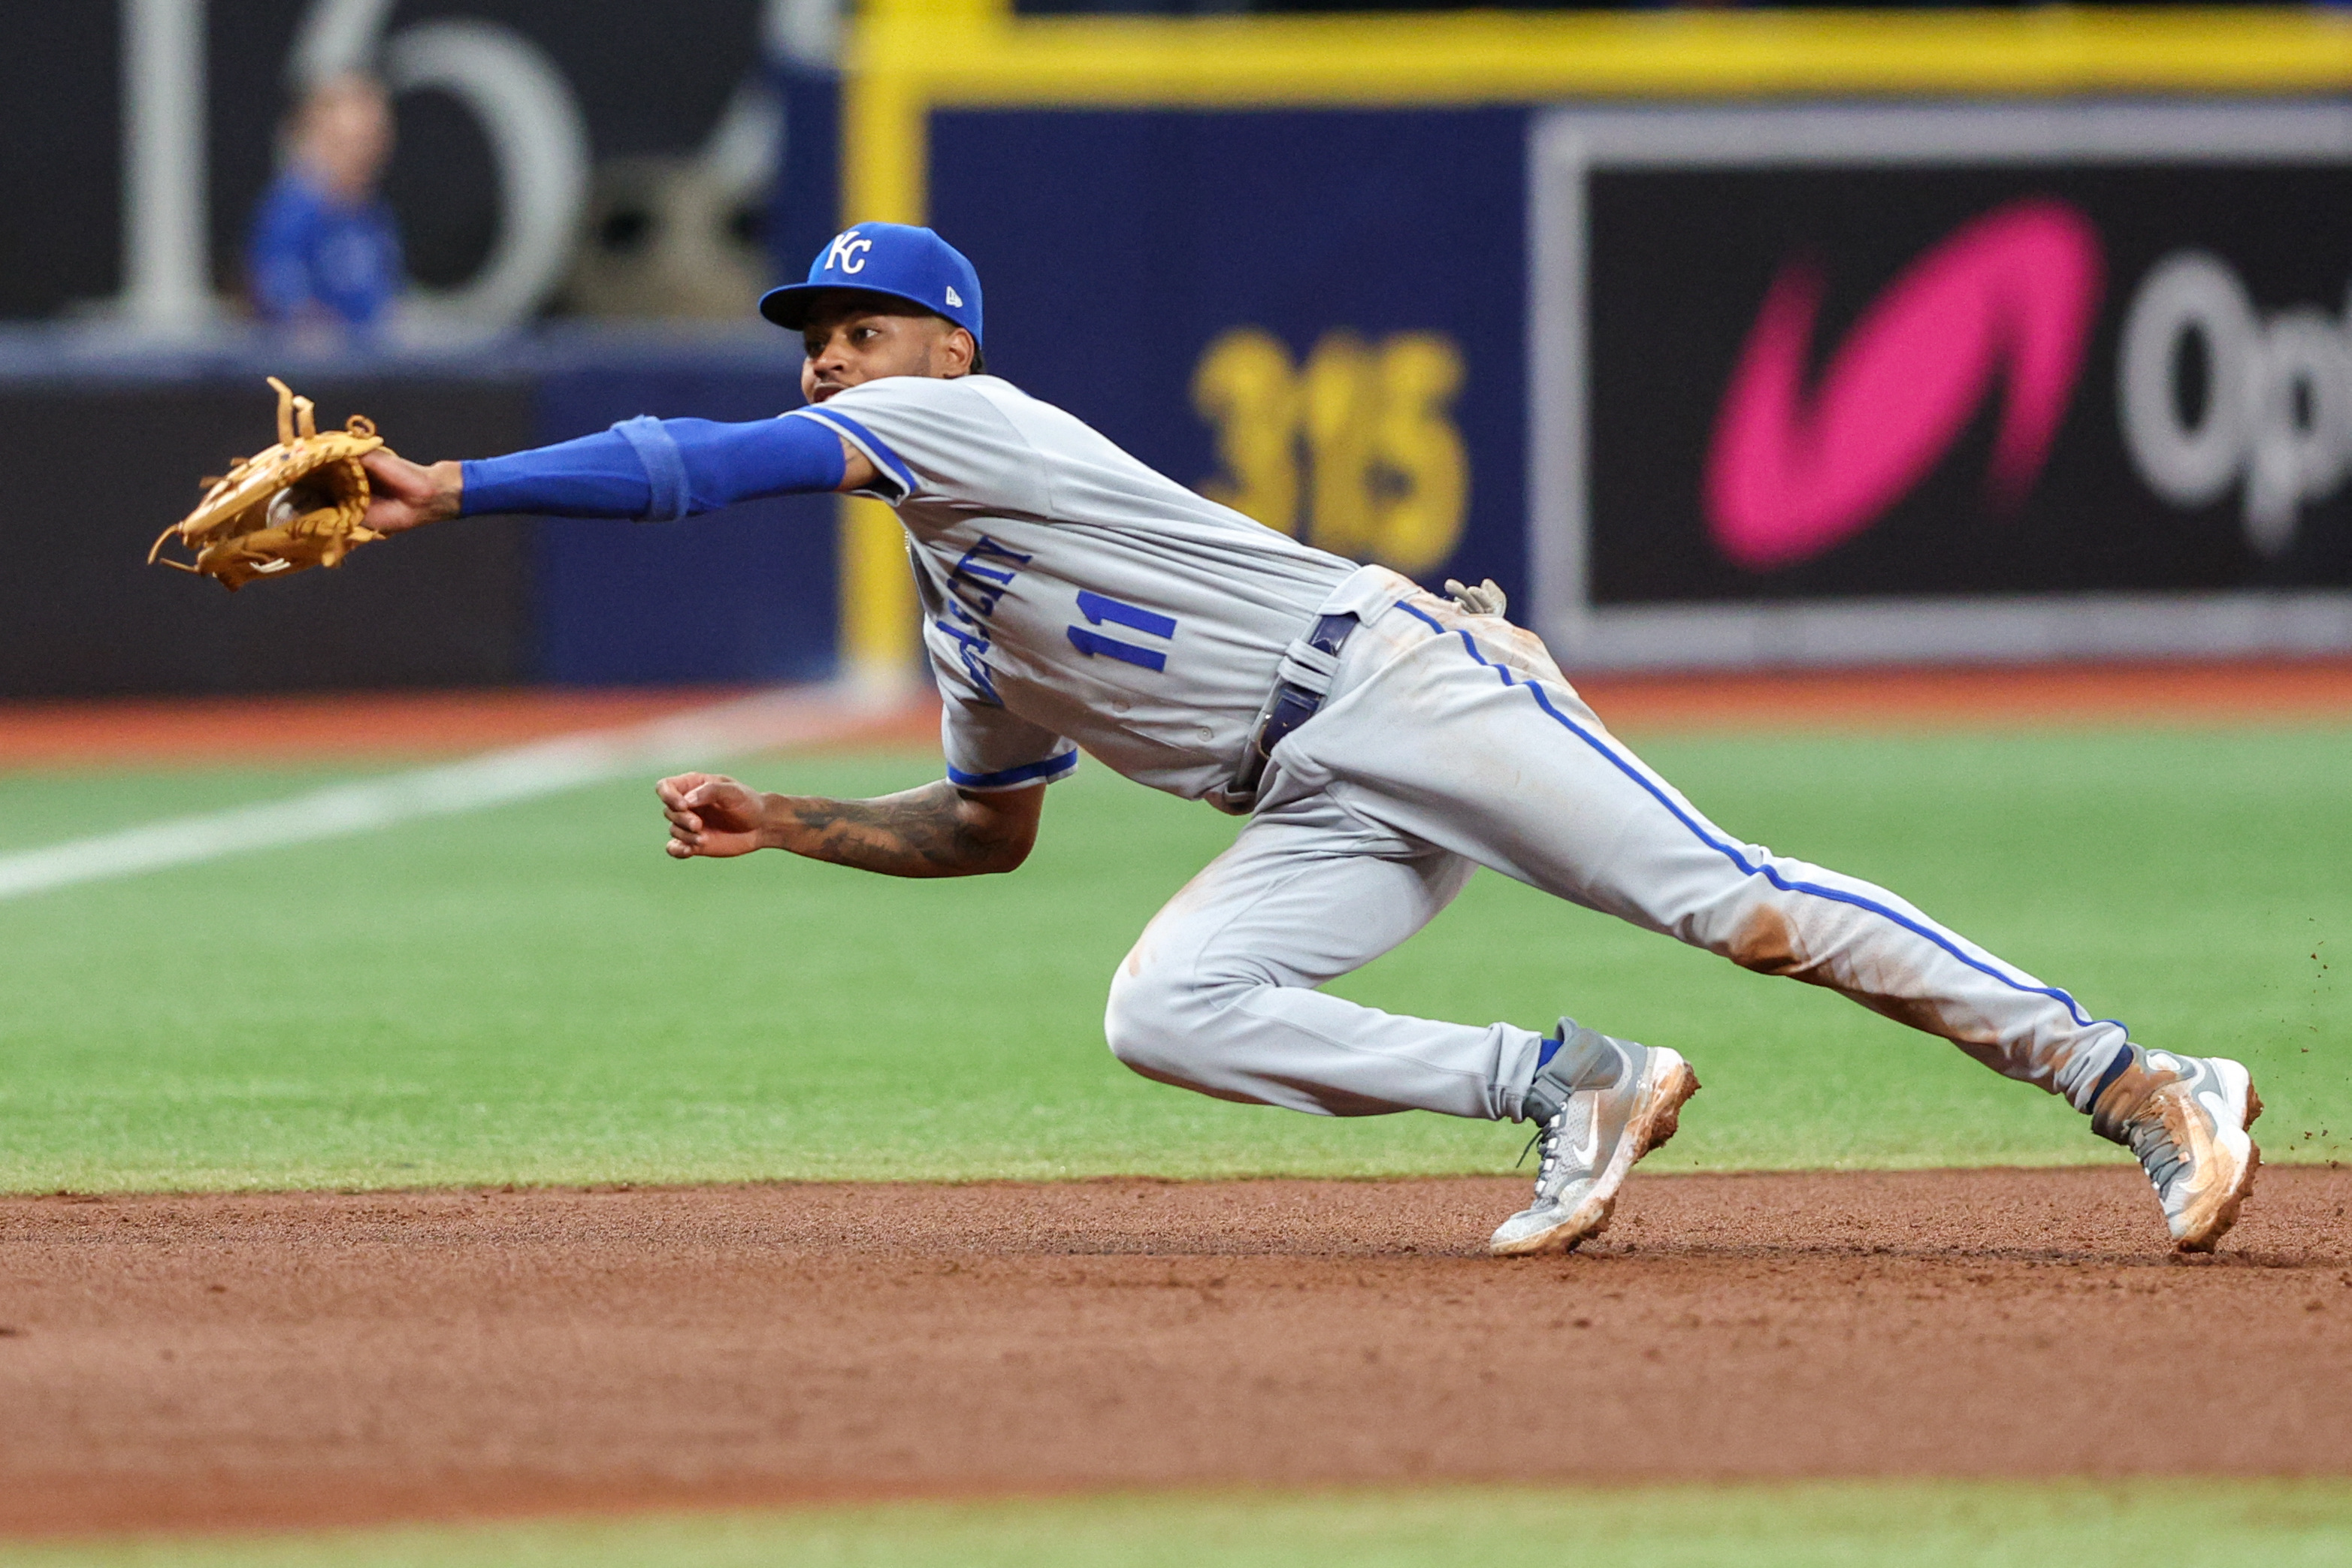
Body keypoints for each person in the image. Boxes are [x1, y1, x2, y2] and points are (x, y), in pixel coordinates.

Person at [356, 222, 2263, 1255]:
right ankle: (1572, 1085)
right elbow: (983, 831)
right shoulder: (961, 603)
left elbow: (698, 464)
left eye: (859, 326)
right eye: (814, 328)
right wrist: (786, 818)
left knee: (1729, 903)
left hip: (1400, 681)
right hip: (1311, 792)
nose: (826, 352)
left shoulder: (973, 422)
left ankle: (2142, 1077)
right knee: (1163, 1006)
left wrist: (453, 485)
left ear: (942, 352)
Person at [246, 73, 403, 338]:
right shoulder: (290, 213)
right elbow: (281, 299)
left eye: (373, 140)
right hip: (315, 375)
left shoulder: (374, 216)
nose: (365, 155)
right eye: (352, 144)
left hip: (371, 370)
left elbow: (383, 302)